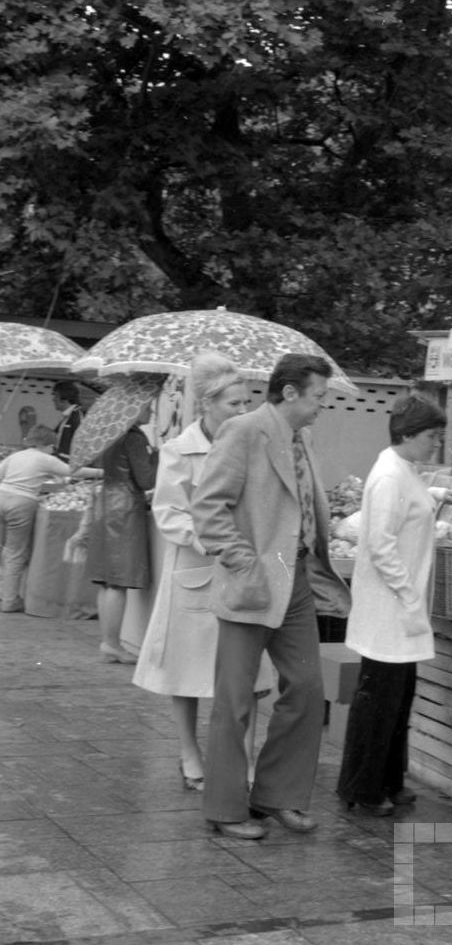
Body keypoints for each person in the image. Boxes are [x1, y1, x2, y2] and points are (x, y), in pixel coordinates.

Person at [191, 352, 350, 840]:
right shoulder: (243, 431)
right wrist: (244, 563)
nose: (325, 405)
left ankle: (277, 796)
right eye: (319, 396)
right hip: (254, 582)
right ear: (290, 393)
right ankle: (224, 808)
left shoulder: (303, 438)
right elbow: (207, 507)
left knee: (305, 688)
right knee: (235, 700)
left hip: (296, 581)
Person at [132, 353, 274, 792]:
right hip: (195, 571)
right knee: (187, 671)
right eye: (233, 403)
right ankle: (189, 753)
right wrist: (210, 540)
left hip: (244, 571)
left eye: (246, 401)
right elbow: (169, 513)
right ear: (207, 404)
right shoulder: (179, 450)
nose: (243, 410)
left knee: (249, 673)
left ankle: (243, 759)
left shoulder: (255, 446)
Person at [337, 393, 448, 816]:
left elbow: (410, 504)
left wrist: (437, 494)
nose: (436, 443)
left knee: (397, 699)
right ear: (408, 434)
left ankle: (387, 779)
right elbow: (381, 545)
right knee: (379, 702)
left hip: (400, 608)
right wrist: (406, 593)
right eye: (432, 436)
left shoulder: (404, 469)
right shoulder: (389, 475)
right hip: (390, 609)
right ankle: (362, 787)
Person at [84, 408, 158, 662]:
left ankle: (108, 642)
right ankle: (113, 644)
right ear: (134, 411)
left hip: (106, 504)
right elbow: (147, 480)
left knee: (107, 580)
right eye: (148, 406)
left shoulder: (111, 433)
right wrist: (158, 456)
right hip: (125, 508)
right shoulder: (134, 437)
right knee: (118, 580)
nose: (151, 410)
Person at [0, 425, 96, 613]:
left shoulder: (15, 456)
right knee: (15, 552)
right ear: (46, 444)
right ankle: (9, 600)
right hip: (22, 503)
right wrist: (102, 473)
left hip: (1, 496)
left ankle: (3, 592)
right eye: (53, 446)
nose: (54, 450)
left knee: (3, 549)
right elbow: (74, 471)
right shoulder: (45, 459)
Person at [52, 381, 84, 462]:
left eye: (55, 395)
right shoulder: (67, 416)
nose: (53, 399)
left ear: (64, 397)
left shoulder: (77, 417)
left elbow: (80, 443)